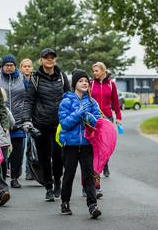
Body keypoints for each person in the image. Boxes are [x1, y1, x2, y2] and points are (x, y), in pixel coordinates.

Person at [22, 48, 70, 201]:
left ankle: (57, 182)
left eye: (52, 57)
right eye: (46, 57)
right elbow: (29, 100)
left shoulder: (62, 77)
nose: (50, 60)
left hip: (59, 124)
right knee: (44, 157)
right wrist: (26, 120)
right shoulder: (35, 78)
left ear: (55, 59)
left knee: (58, 156)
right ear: (41, 60)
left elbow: (69, 97)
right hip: (40, 124)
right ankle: (48, 187)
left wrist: (71, 117)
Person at [58, 69, 102, 219]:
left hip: (87, 144)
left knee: (88, 175)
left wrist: (88, 115)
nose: (84, 83)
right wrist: (78, 113)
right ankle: (65, 202)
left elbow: (97, 122)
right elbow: (64, 124)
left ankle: (92, 205)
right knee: (69, 174)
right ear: (74, 84)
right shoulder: (66, 101)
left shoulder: (92, 102)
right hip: (70, 145)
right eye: (81, 81)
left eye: (86, 81)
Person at [88, 62, 122, 197]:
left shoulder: (111, 84)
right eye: (93, 71)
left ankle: (105, 164)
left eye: (96, 70)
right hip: (94, 118)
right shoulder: (91, 84)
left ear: (103, 71)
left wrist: (118, 116)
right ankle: (97, 169)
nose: (94, 73)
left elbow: (115, 102)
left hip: (107, 118)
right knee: (95, 145)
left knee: (105, 144)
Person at [0, 54, 26, 188]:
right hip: (2, 123)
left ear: (15, 66)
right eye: (6, 65)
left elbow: (29, 98)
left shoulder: (23, 78)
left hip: (19, 121)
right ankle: (1, 179)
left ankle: (14, 177)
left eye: (11, 65)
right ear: (2, 67)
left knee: (18, 154)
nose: (9, 67)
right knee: (2, 154)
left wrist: (27, 117)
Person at [19, 58, 34, 180]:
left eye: (29, 66)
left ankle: (30, 171)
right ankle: (18, 171)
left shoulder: (35, 80)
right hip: (20, 115)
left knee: (31, 143)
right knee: (21, 146)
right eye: (25, 66)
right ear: (21, 68)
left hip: (33, 115)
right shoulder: (18, 81)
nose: (27, 68)